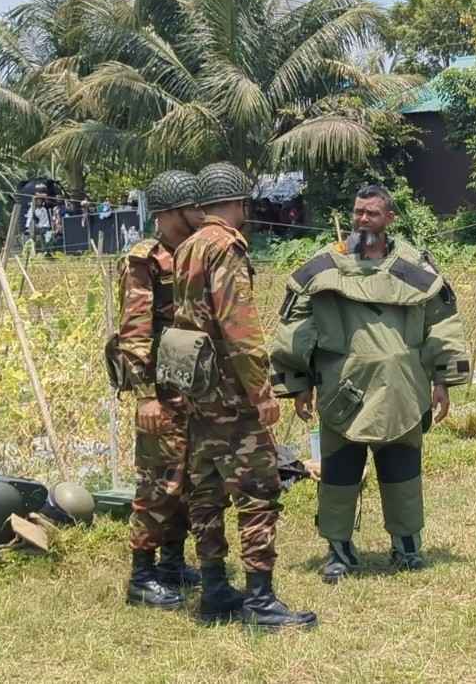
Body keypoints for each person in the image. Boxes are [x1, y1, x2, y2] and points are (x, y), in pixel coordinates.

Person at [271, 185, 471, 583]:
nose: (363, 219)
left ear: (390, 219)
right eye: (358, 212)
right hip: (341, 389)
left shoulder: (415, 267)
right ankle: (339, 551)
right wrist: (298, 383)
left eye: (373, 213)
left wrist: (444, 380)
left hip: (403, 389)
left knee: (403, 472)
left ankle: (407, 547)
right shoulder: (324, 266)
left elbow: (442, 323)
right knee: (339, 475)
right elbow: (296, 326)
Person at [172, 162, 316, 630]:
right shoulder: (226, 249)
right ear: (238, 203)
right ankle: (260, 600)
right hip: (232, 395)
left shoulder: (187, 247)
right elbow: (240, 330)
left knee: (207, 494)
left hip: (197, 391)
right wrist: (262, 391)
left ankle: (215, 589)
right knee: (258, 493)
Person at [112, 170, 205, 611]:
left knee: (185, 481)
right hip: (160, 391)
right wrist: (145, 393)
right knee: (158, 484)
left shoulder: (192, 254)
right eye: (192, 209)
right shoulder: (145, 260)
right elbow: (134, 332)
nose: (200, 216)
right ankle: (141, 575)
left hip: (191, 387)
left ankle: (172, 563)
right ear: (169, 213)